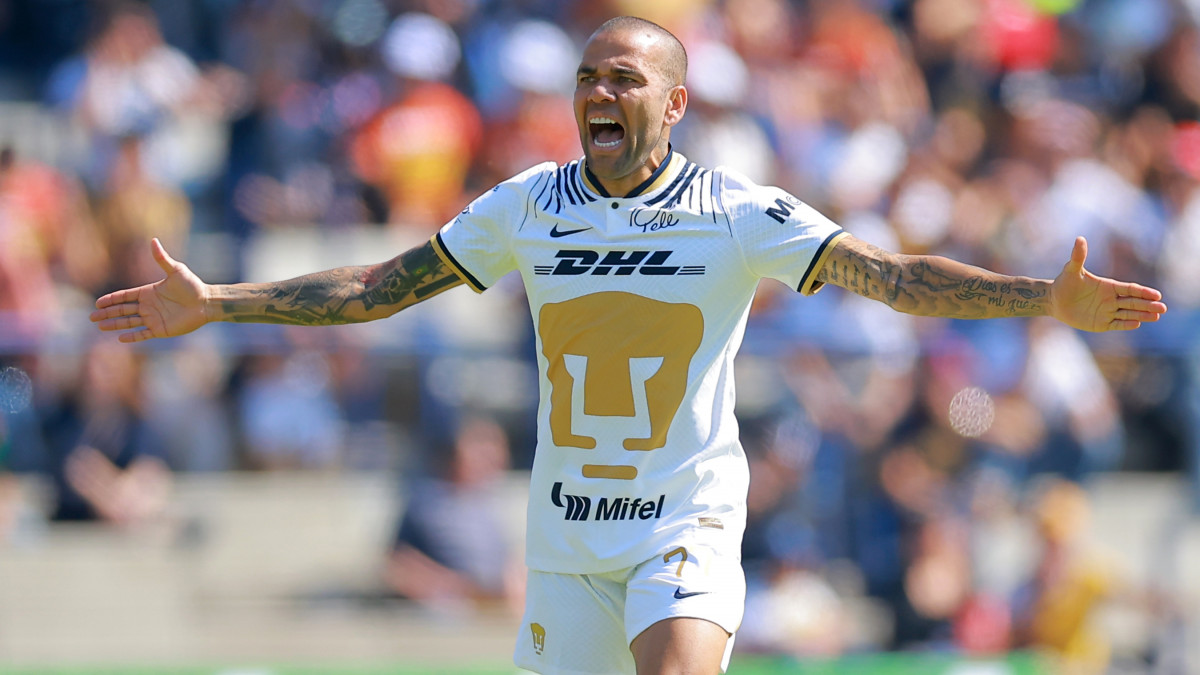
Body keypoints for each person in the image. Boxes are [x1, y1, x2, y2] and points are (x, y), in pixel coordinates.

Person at [91, 16, 1167, 675]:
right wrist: (219, 303)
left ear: (678, 103)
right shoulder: (526, 203)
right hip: (565, 535)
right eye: (587, 80)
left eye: (625, 79)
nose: (600, 94)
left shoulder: (739, 210)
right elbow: (380, 289)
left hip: (682, 518)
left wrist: (1041, 299)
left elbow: (889, 278)